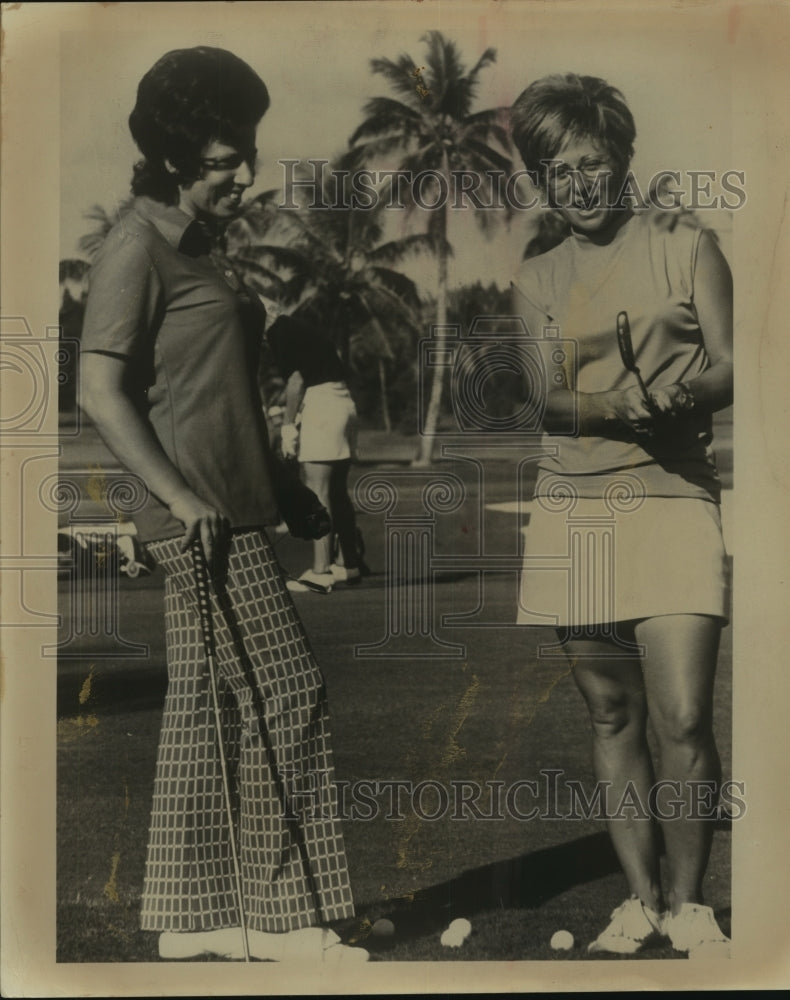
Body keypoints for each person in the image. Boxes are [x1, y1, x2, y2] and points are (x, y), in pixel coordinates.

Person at [79, 46, 366, 963]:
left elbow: (224, 388)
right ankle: (284, 920)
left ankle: (195, 917)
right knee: (289, 695)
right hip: (197, 520)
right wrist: (175, 497)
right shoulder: (134, 248)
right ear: (170, 158)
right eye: (221, 160)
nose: (244, 173)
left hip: (237, 510)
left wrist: (286, 491)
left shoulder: (200, 245)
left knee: (210, 711)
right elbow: (97, 390)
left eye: (246, 151)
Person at [509, 74, 733, 958]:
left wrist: (674, 394)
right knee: (612, 717)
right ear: (541, 178)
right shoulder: (535, 276)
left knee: (682, 715)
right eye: (557, 171)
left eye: (591, 163)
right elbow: (547, 402)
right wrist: (617, 407)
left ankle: (692, 906)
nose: (578, 186)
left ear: (622, 158)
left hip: (674, 495)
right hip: (577, 508)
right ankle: (641, 903)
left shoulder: (687, 243)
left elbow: (731, 366)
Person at [264, 310, 366, 593]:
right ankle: (349, 564)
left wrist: (287, 427)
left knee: (317, 489)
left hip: (322, 407)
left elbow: (296, 382)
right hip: (343, 403)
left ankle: (321, 572)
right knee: (337, 491)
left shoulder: (277, 331)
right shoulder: (297, 326)